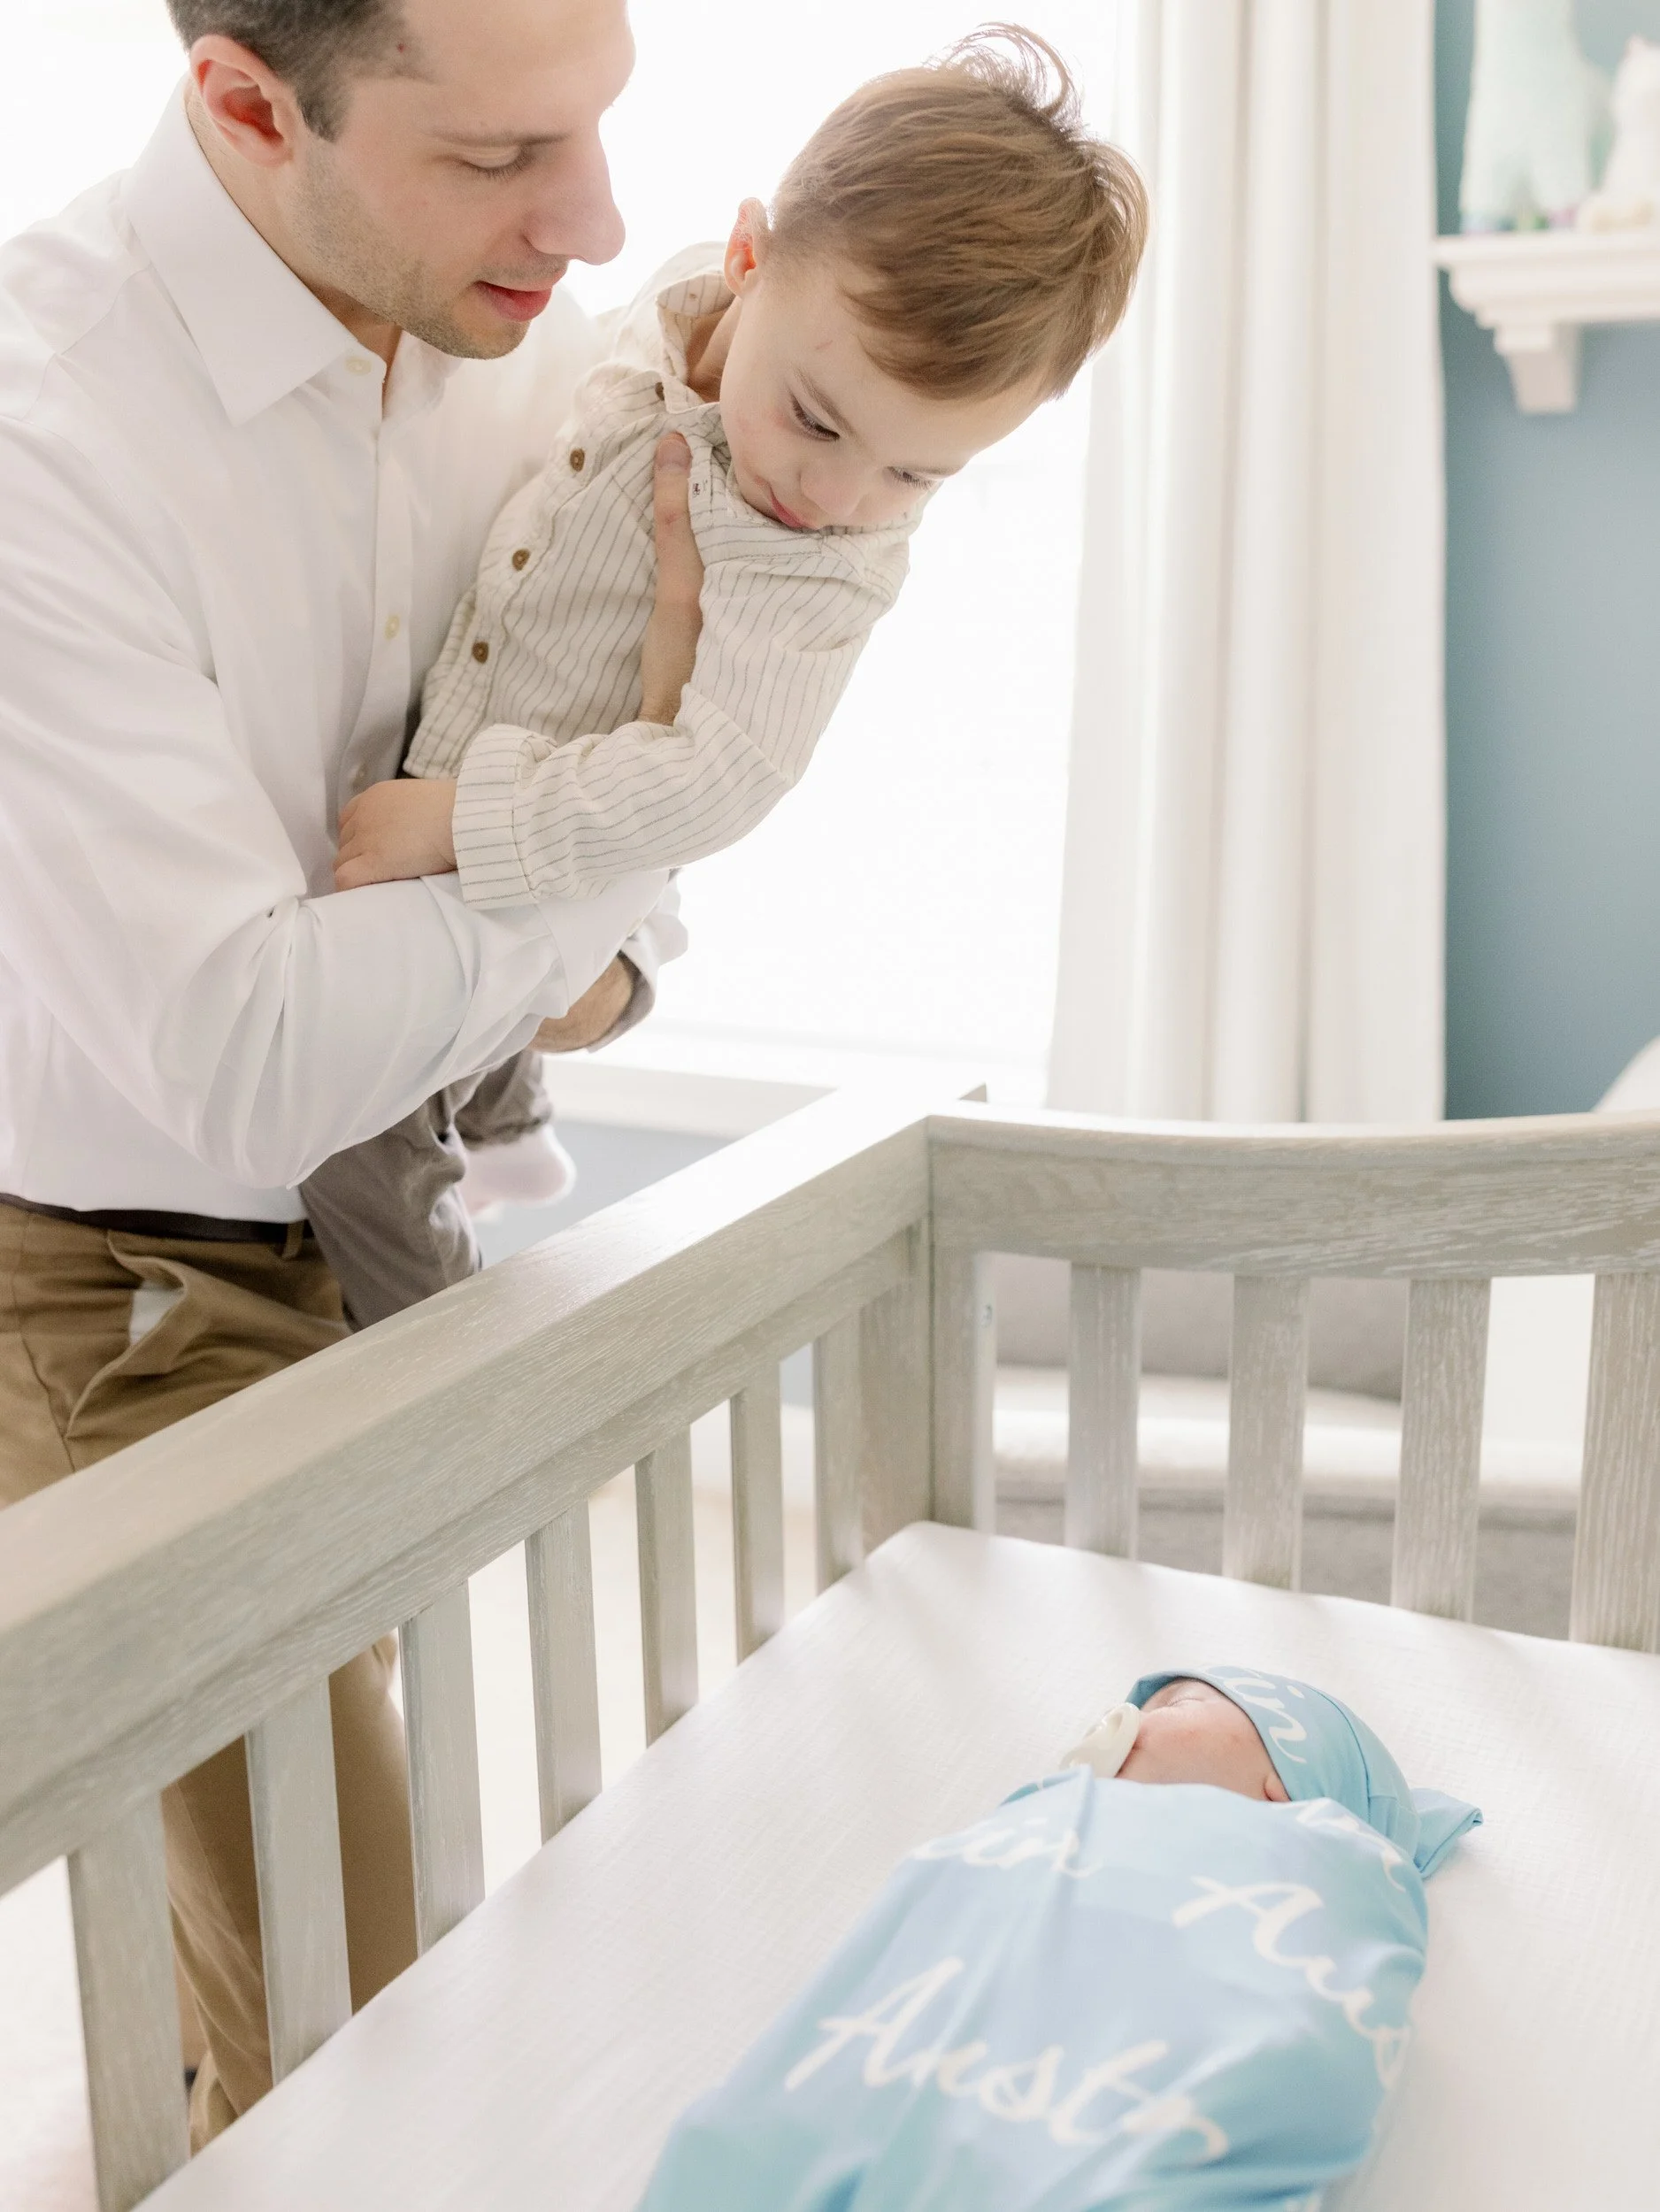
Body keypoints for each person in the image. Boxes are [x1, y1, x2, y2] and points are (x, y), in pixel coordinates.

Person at [0, 0, 707, 2147]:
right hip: (123, 1269)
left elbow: (639, 851)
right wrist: (565, 911)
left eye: (597, 128)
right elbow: (236, 1060)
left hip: (414, 1224)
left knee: (293, 2009)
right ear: (243, 101)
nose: (590, 224)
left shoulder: (520, 367)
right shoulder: (48, 423)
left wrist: (584, 917)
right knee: (357, 1999)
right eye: (499, 157)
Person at [296, 30, 1149, 1331]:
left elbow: (718, 776)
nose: (840, 495)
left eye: (919, 475)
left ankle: (441, 1351)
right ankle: (512, 1113)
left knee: (350, 1126)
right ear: (743, 264)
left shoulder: (822, 567)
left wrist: (459, 819)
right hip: (485, 713)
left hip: (549, 832)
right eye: (817, 420)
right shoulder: (673, 305)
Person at [639, 1668, 1482, 2210]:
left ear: (1285, 1792)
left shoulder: (1324, 1860)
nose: (1124, 1717)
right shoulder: (1038, 1822)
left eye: (1177, 1708)